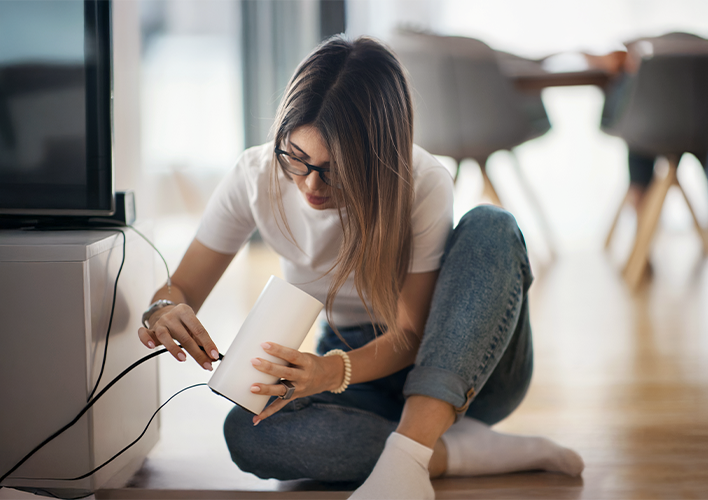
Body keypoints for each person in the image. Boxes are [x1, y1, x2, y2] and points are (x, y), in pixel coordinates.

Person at [137, 35, 583, 499]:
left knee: (493, 224)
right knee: (248, 434)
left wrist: (330, 372)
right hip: (353, 361)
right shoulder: (255, 176)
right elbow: (180, 286)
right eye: (297, 158)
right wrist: (163, 310)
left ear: (379, 157)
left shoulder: (421, 180)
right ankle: (451, 450)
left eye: (335, 168)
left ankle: (412, 450)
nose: (311, 184)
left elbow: (411, 334)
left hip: (461, 361)